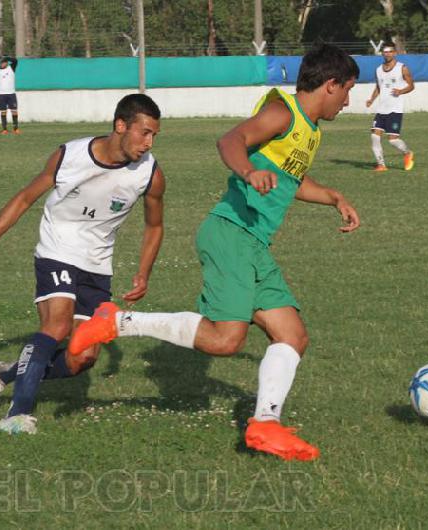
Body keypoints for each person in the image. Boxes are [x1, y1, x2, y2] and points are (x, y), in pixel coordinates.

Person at [69, 44, 361, 461]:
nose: (348, 101)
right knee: (226, 340)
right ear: (330, 84)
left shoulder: (309, 131)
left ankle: (265, 425)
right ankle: (117, 321)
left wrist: (333, 197)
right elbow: (231, 139)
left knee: (293, 335)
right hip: (231, 233)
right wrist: (247, 170)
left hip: (253, 243)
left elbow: (290, 180)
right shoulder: (284, 113)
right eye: (347, 90)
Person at [0, 94, 165, 436]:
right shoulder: (70, 155)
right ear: (120, 126)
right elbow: (25, 198)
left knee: (82, 358)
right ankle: (16, 415)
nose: (148, 143)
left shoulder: (150, 175)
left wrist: (144, 271)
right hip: (57, 249)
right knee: (56, 326)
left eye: (154, 135)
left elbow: (155, 225)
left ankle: (2, 374)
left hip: (97, 265)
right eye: (144, 133)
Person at [365, 42, 415, 171]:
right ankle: (381, 165)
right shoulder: (378, 69)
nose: (387, 54)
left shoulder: (402, 68)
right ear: (382, 53)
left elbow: (411, 86)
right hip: (382, 109)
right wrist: (371, 99)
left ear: (395, 53)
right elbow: (378, 87)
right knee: (374, 136)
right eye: (385, 51)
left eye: (390, 51)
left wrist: (400, 91)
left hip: (395, 109)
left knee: (392, 140)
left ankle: (408, 153)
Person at [0, 56, 21, 135]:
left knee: (14, 111)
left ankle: (16, 129)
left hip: (11, 94)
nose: (4, 63)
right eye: (3, 62)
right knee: (3, 112)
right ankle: (4, 129)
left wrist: (7, 58)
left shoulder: (11, 68)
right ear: (0, 63)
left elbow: (15, 60)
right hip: (1, 94)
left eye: (5, 62)